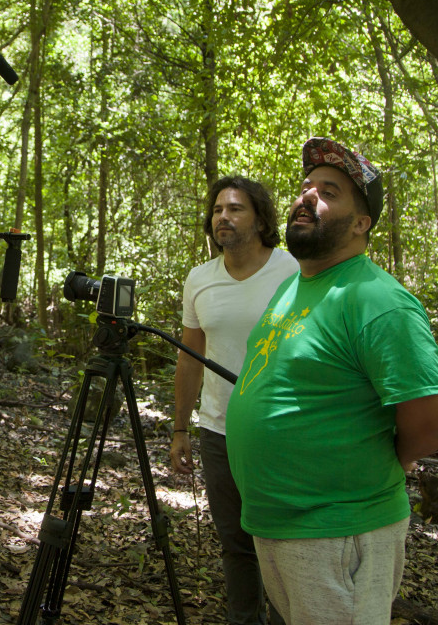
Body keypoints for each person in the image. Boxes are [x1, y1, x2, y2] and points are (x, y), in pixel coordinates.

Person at [226, 138, 438, 625]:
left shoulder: (377, 300)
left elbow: (434, 419)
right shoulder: (296, 284)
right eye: (306, 186)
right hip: (280, 526)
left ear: (361, 223)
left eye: (329, 191)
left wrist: (379, 462)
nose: (307, 195)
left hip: (338, 530)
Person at [169, 176, 296, 625]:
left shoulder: (294, 269)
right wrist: (181, 428)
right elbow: (190, 358)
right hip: (218, 431)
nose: (224, 216)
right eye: (218, 209)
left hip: (282, 431)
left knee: (282, 543)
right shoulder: (200, 279)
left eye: (236, 208)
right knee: (235, 542)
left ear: (260, 219)